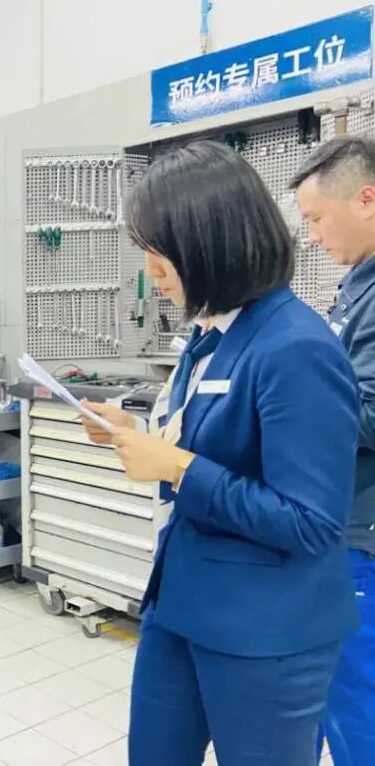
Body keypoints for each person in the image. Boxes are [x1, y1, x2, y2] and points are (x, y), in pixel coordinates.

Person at [80, 140, 359, 766]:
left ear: (212, 242)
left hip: (266, 631)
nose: (151, 270)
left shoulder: (296, 348)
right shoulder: (214, 333)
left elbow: (310, 523)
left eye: (160, 250)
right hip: (181, 603)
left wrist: (178, 468)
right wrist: (137, 432)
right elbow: (212, 438)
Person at [291, 136, 375, 766]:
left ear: (366, 199)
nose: (313, 236)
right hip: (336, 522)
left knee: (356, 705)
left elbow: (369, 413)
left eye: (317, 219)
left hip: (361, 535)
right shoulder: (356, 287)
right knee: (330, 696)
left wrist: (288, 401)